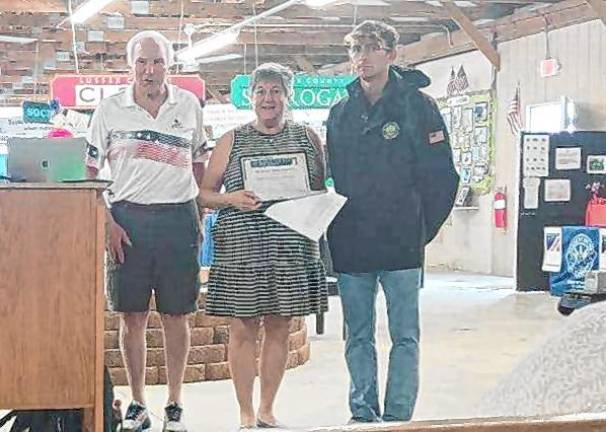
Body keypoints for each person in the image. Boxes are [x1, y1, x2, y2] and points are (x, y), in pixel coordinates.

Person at [326, 20, 459, 423]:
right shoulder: (341, 111)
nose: (362, 57)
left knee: (404, 336)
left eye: (371, 48)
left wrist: (421, 228)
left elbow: (443, 177)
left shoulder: (419, 107)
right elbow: (333, 175)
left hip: (402, 242)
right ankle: (363, 413)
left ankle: (399, 417)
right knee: (357, 336)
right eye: (355, 50)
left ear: (391, 54)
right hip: (352, 242)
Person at [86, 30, 208, 432]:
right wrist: (108, 223)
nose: (149, 70)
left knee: (178, 315)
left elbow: (198, 164)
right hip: (128, 220)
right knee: (132, 316)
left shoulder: (189, 105)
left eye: (157, 62)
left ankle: (175, 404)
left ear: (169, 65)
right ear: (130, 65)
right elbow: (89, 172)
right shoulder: (109, 110)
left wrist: (201, 213)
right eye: (142, 62)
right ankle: (138, 403)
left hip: (179, 218)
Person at [199, 62, 328, 430]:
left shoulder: (307, 138)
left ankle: (268, 409)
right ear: (251, 97)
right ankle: (244, 411)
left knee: (280, 326)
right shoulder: (232, 140)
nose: (268, 98)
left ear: (287, 97)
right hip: (243, 248)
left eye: (275, 91)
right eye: (261, 91)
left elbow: (317, 189)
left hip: (290, 247)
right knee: (243, 328)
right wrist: (233, 199)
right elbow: (204, 194)